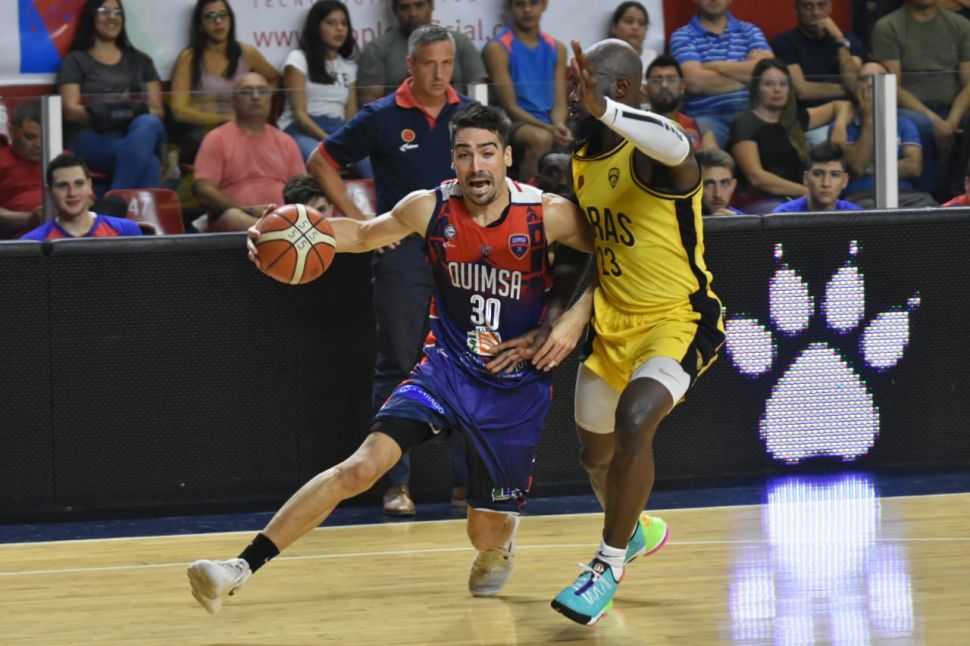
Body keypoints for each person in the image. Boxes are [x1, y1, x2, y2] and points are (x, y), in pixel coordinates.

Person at [186, 102, 595, 615]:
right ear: (452, 159)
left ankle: (499, 543)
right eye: (464, 154)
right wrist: (279, 233)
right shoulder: (429, 208)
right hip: (446, 368)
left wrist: (571, 319)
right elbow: (361, 236)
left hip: (513, 385)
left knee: (483, 534)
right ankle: (237, 568)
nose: (476, 166)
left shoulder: (546, 213)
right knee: (360, 468)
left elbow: (620, 253)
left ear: (508, 157)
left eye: (487, 153)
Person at [525, 38, 724, 626]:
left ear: (617, 90)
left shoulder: (657, 156)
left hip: (676, 319)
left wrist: (607, 111)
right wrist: (561, 313)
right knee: (596, 458)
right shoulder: (583, 161)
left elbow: (679, 142)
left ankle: (606, 566)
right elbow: (597, 248)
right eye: (572, 86)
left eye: (583, 85)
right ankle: (634, 530)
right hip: (612, 321)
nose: (572, 96)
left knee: (636, 420)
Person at [309, 24, 473, 515]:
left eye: (447, 64)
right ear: (410, 64)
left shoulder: (469, 116)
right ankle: (395, 485)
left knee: (470, 363)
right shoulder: (382, 116)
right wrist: (365, 225)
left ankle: (468, 485)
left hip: (465, 255)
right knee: (399, 367)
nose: (439, 74)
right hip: (404, 256)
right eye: (429, 64)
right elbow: (321, 160)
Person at [56, 0, 167, 191]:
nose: (112, 17)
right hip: (91, 136)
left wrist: (114, 112)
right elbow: (71, 111)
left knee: (149, 122)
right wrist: (123, 112)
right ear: (92, 16)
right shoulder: (75, 60)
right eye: (104, 11)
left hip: (137, 133)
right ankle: (119, 204)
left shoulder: (142, 61)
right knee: (149, 162)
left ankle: (113, 202)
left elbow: (157, 110)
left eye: (117, 12)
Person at [728, 57, 852, 213]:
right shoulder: (745, 124)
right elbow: (757, 178)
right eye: (769, 84)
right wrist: (807, 191)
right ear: (757, 88)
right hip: (761, 201)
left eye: (783, 84)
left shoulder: (794, 120)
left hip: (798, 199)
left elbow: (843, 105)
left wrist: (840, 126)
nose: (777, 90)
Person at [871, 0, 970, 193]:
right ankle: (925, 197)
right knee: (921, 124)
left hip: (953, 107)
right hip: (910, 108)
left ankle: (960, 192)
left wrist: (952, 120)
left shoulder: (961, 25)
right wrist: (934, 120)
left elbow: (969, 83)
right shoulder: (888, 26)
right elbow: (892, 85)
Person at [170, 0, 279, 167]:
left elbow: (275, 78)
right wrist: (225, 119)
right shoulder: (189, 58)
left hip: (243, 127)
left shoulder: (246, 53)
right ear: (200, 24)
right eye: (210, 17)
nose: (218, 21)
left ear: (230, 20)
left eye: (223, 15)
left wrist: (259, 97)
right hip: (201, 129)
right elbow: (179, 110)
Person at [193, 72, 306, 232]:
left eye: (263, 91)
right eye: (246, 91)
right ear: (233, 100)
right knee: (234, 217)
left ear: (271, 99)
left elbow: (302, 190)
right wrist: (247, 210)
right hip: (238, 220)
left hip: (284, 219)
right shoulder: (216, 138)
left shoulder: (286, 141)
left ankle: (277, 232)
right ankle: (275, 233)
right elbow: (204, 190)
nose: (255, 96)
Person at [483, 0, 572, 183]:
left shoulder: (558, 48)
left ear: (544, 4)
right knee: (540, 138)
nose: (527, 10)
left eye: (533, 3)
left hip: (548, 123)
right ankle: (525, 198)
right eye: (519, 4)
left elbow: (560, 102)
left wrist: (559, 124)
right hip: (512, 123)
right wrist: (549, 129)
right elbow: (510, 106)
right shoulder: (498, 48)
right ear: (509, 7)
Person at [278, 0, 368, 177]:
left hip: (337, 129)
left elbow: (350, 118)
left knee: (369, 162)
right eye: (331, 23)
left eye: (344, 23)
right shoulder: (298, 59)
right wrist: (331, 141)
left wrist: (345, 140)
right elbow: (300, 116)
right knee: (322, 162)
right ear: (316, 27)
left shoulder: (349, 66)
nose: (339, 29)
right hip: (302, 129)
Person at [669, 0, 773, 148]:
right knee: (707, 156)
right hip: (705, 116)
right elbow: (694, 82)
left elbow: (769, 72)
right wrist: (748, 75)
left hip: (751, 113)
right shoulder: (682, 36)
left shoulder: (750, 31)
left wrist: (714, 66)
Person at [835, 60, 937, 208]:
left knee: (931, 211)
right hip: (860, 196)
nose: (870, 84)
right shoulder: (845, 126)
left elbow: (914, 166)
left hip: (906, 195)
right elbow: (856, 167)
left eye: (878, 78)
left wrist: (869, 169)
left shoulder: (903, 123)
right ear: (856, 87)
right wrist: (869, 121)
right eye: (863, 79)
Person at [356, 0, 486, 105]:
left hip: (458, 122)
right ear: (395, 10)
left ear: (431, 5)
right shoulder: (377, 49)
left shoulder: (460, 43)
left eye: (419, 5)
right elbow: (371, 104)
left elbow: (480, 93)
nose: (412, 13)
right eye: (404, 7)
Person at [770, 0, 864, 117]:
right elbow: (802, 91)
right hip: (811, 117)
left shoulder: (849, 41)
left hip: (850, 115)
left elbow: (854, 83)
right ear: (795, 9)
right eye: (807, 6)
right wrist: (847, 89)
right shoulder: (784, 42)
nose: (815, 12)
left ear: (830, 7)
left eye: (821, 5)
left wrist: (840, 41)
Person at [21, 153, 143, 240]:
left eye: (79, 184)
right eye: (62, 186)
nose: (72, 193)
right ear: (49, 192)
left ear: (89, 186)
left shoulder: (126, 230)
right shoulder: (34, 242)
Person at [645, 55, 713, 151]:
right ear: (646, 88)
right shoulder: (634, 126)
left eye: (671, 79)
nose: (664, 85)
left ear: (682, 86)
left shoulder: (699, 128)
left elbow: (714, 157)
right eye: (657, 80)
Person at [771, 142, 864, 212]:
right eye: (818, 174)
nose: (826, 183)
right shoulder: (784, 215)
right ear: (806, 178)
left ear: (845, 181)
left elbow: (857, 235)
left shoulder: (855, 216)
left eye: (834, 175)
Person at [0, 100, 44, 238]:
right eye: (30, 137)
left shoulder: (60, 157)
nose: (38, 144)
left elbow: (87, 199)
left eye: (45, 136)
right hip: (13, 237)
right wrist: (30, 219)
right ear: (12, 131)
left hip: (62, 233)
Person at [608, 1, 657, 100]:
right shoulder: (604, 58)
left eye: (641, 24)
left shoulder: (654, 58)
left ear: (646, 30)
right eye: (629, 21)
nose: (635, 27)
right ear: (614, 27)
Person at [697, 148, 744, 214]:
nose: (718, 194)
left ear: (733, 186)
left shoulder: (745, 219)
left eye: (725, 183)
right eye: (708, 184)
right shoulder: (682, 219)